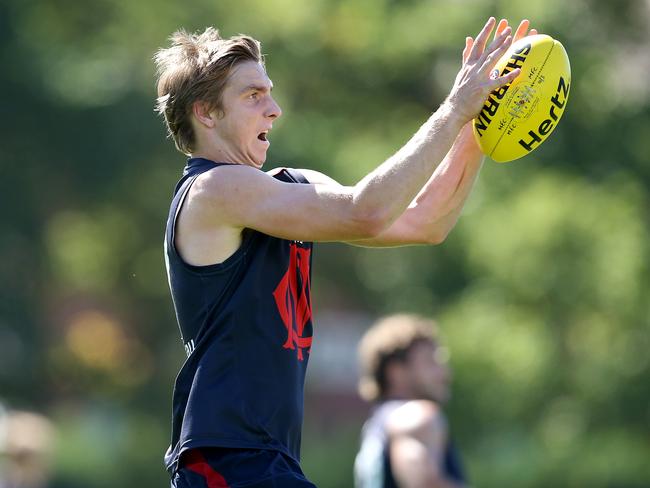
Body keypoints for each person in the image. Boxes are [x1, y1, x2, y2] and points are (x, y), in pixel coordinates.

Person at [154, 17, 535, 487]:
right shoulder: (213, 189)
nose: (273, 109)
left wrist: (479, 128)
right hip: (228, 460)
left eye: (270, 92)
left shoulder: (285, 189)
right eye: (253, 96)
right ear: (206, 113)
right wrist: (455, 107)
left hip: (267, 460)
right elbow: (366, 212)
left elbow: (424, 221)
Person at [355, 314, 464, 488]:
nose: (445, 373)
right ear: (396, 371)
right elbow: (425, 484)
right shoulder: (416, 417)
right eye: (431, 362)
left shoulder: (378, 424)